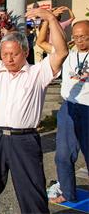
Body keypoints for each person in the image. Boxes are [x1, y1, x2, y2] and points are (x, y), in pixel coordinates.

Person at [0, 8, 68, 214]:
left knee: (32, 194)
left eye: (14, 53)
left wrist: (49, 18)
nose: (9, 58)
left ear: (26, 52)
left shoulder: (38, 72)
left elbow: (61, 52)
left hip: (24, 141)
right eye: (5, 54)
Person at [37, 19, 88, 204]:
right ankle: (67, 192)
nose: (79, 40)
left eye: (83, 36)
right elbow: (41, 42)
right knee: (63, 156)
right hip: (68, 108)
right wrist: (46, 20)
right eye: (75, 36)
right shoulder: (66, 54)